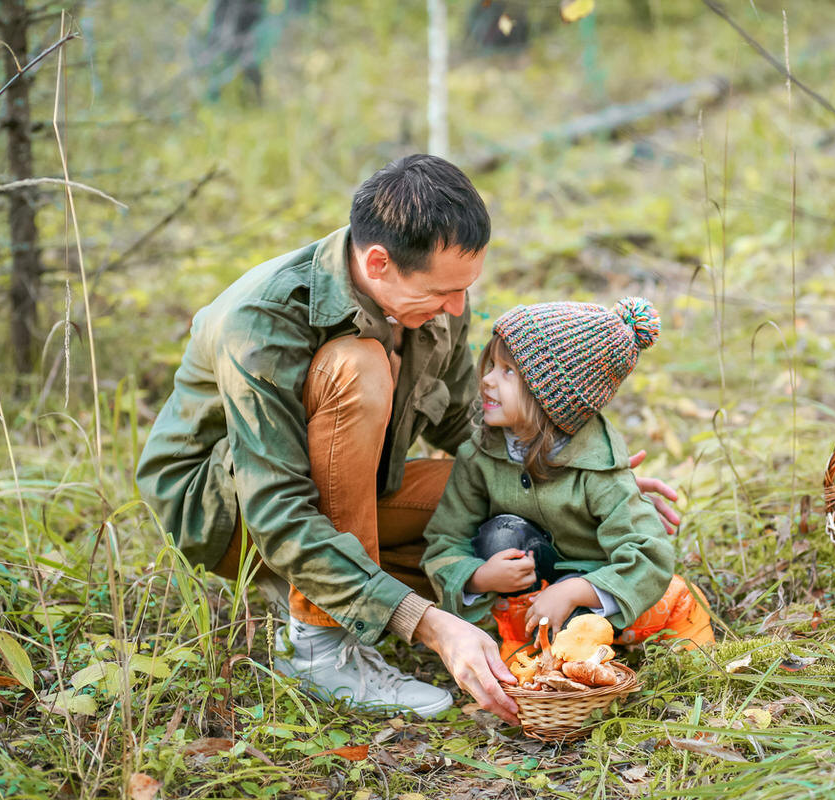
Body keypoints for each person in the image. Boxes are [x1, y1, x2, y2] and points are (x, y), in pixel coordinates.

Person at [134, 154, 680, 724]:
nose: (459, 308)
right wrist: (430, 625)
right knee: (356, 366)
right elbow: (277, 508)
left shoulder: (433, 300)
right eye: (445, 292)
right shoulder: (263, 320)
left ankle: (356, 587)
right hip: (229, 513)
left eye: (466, 288)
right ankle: (319, 646)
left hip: (355, 488)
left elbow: (466, 423)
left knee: (505, 520)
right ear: (378, 262)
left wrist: (568, 474)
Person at [421, 298, 714, 665]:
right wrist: (478, 577)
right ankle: (530, 654)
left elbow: (649, 554)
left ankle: (678, 659)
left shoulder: (598, 469)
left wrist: (578, 590)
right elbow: (443, 540)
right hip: (523, 603)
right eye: (491, 366)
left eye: (508, 371)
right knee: (500, 534)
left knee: (678, 602)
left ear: (553, 397)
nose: (487, 380)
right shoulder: (480, 454)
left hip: (598, 600)